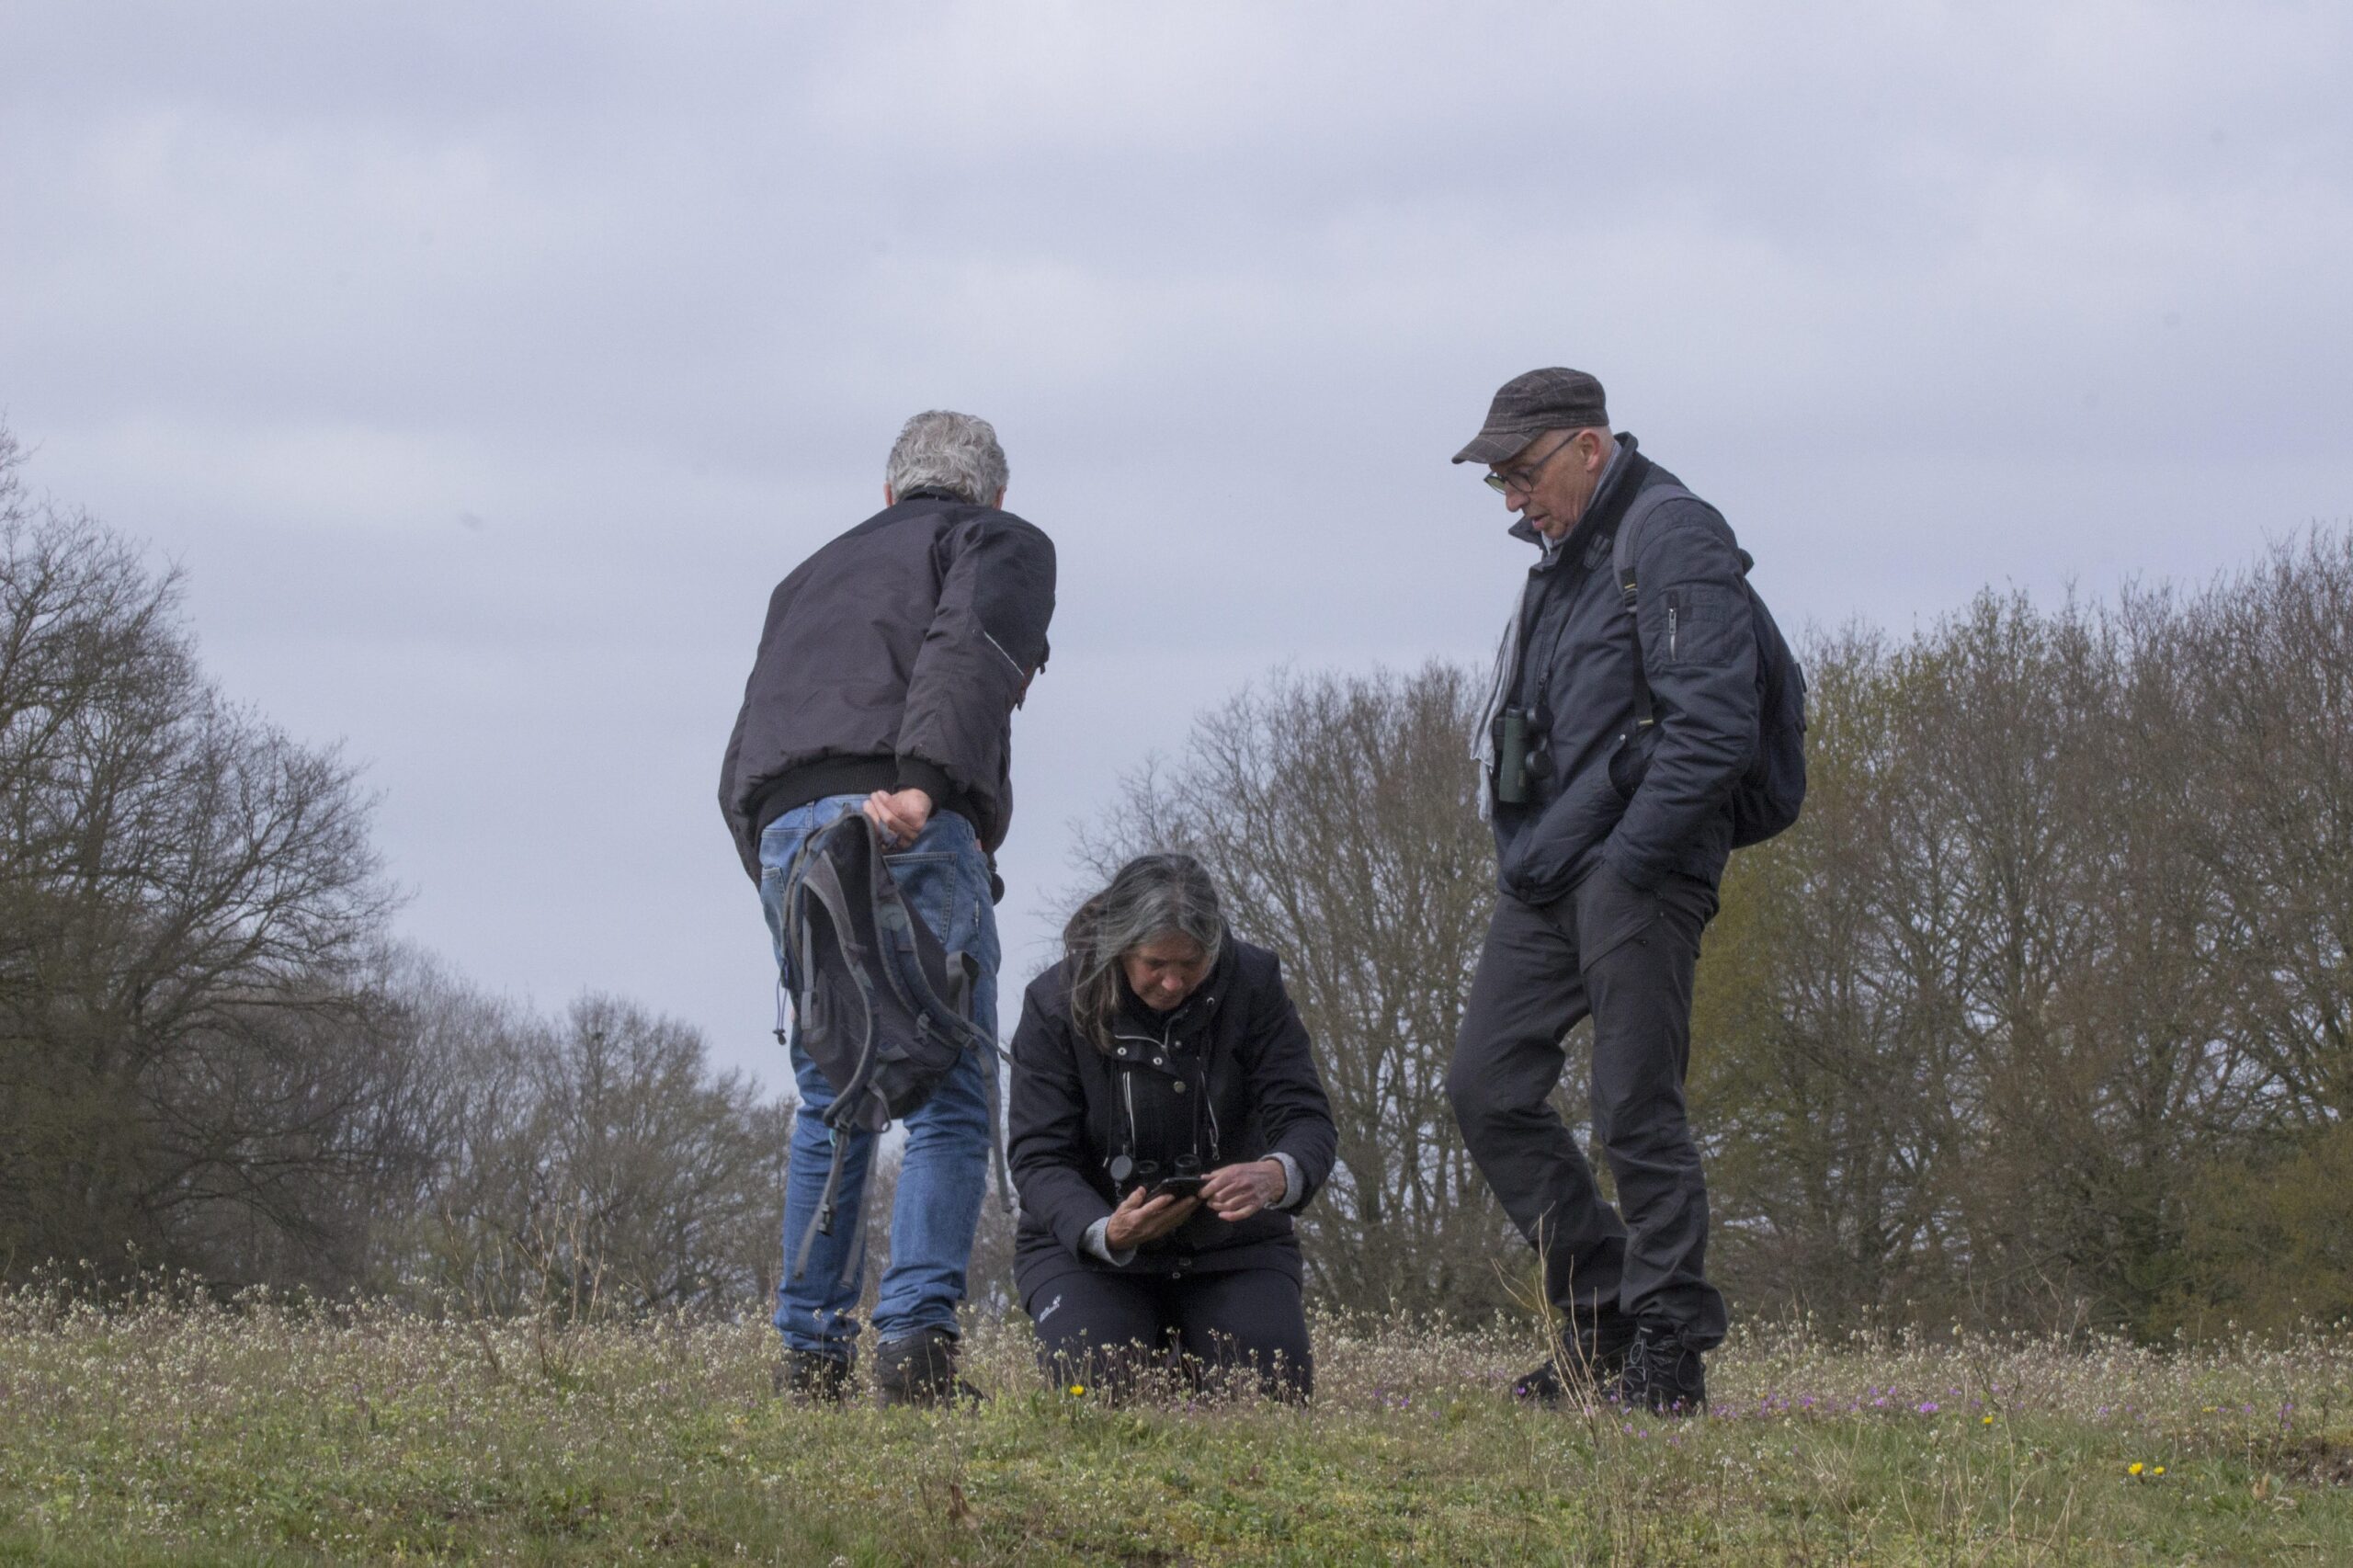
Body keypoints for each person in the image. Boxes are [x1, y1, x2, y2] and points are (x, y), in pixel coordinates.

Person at [719, 409, 1055, 1407]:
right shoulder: (997, 540)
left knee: (834, 1086)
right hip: (903, 810)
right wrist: (924, 783)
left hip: (786, 825)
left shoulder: (810, 571)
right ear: (992, 491)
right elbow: (970, 651)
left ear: (887, 491)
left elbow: (753, 719)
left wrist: (767, 852)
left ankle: (808, 1354)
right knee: (950, 1091)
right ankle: (916, 1348)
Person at [1446, 368, 1758, 1414]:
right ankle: (1604, 1314)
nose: (1512, 499)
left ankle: (1666, 1346)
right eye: (1497, 482)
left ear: (1588, 445)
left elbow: (1713, 726)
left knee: (1633, 1107)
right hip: (1546, 866)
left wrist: (1631, 860)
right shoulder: (1561, 558)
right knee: (1485, 1086)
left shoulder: (1670, 532)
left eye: (1522, 473)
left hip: (1637, 862)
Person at [1006, 854, 1337, 1401]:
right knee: (1092, 1390)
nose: (1173, 981)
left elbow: (1304, 1113)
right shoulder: (1053, 1003)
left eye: (1193, 963)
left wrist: (1277, 1174)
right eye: (1156, 962)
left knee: (1269, 1394)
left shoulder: (1255, 984)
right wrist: (1103, 1231)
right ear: (1120, 946)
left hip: (1234, 1248)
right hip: (1087, 1255)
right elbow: (1038, 1157)